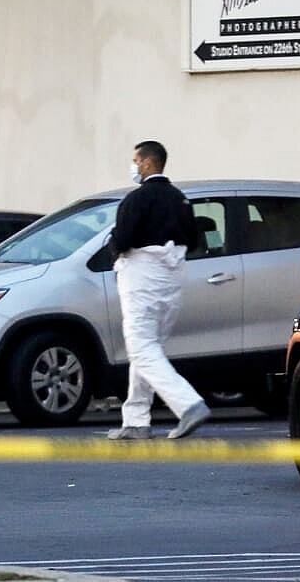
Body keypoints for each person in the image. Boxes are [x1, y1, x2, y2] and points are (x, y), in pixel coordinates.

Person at [106, 140, 210, 440]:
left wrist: (113, 245)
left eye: (136, 161)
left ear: (148, 163)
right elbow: (194, 239)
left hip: (142, 278)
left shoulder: (136, 200)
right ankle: (136, 419)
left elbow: (123, 239)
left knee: (141, 348)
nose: (134, 166)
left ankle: (188, 404)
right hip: (172, 280)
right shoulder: (180, 199)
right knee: (149, 349)